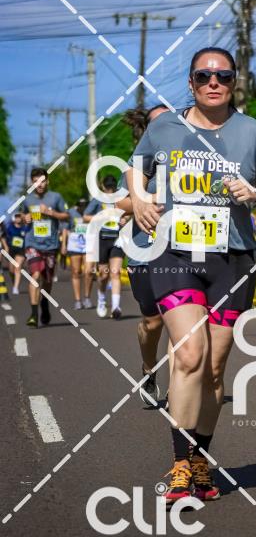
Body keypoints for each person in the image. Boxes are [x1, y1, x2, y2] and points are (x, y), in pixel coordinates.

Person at [127, 47, 256, 505]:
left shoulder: (251, 131)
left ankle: (200, 457)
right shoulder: (165, 127)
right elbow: (134, 169)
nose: (213, 82)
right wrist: (139, 199)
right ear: (191, 83)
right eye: (204, 76)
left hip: (232, 259)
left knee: (215, 368)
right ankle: (180, 463)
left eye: (222, 75)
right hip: (175, 254)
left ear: (234, 81)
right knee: (189, 354)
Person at [121, 104, 169, 407]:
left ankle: (182, 385)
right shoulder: (142, 163)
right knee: (153, 322)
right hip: (145, 254)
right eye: (158, 122)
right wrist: (151, 198)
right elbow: (122, 203)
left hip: (184, 253)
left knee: (183, 321)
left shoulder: (190, 157)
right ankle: (149, 369)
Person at [20, 168, 69, 327]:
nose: (39, 185)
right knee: (35, 275)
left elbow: (66, 216)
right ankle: (34, 314)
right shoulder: (27, 200)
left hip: (51, 245)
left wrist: (49, 212)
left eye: (42, 181)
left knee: (47, 280)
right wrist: (25, 218)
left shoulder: (56, 197)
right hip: (33, 244)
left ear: (47, 181)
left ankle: (44, 303)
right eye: (36, 182)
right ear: (32, 183)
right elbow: (22, 216)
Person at [84, 175, 126, 318]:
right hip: (101, 240)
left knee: (115, 272)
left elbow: (128, 214)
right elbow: (85, 216)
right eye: (108, 187)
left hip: (117, 240)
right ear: (103, 187)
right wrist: (101, 217)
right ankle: (101, 298)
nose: (110, 190)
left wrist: (124, 219)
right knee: (103, 275)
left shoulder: (120, 200)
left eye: (112, 187)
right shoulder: (98, 200)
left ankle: (115, 307)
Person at [65, 199, 89, 309]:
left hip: (88, 245)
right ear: (77, 206)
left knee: (88, 272)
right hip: (74, 245)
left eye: (85, 206)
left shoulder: (91, 213)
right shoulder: (71, 213)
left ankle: (87, 297)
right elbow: (65, 229)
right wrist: (64, 245)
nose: (83, 208)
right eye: (81, 205)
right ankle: (78, 300)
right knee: (76, 272)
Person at [7, 212, 27, 295]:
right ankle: (14, 282)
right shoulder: (10, 227)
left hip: (21, 250)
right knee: (11, 270)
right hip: (12, 250)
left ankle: (16, 287)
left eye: (19, 217)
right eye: (16, 217)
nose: (18, 218)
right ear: (14, 218)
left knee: (17, 267)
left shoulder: (25, 228)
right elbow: (5, 238)